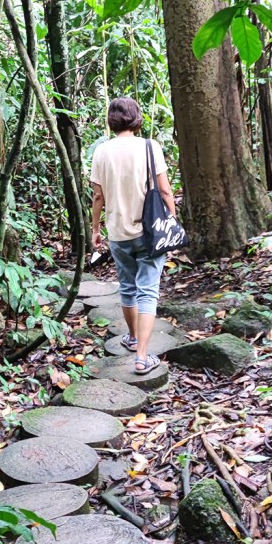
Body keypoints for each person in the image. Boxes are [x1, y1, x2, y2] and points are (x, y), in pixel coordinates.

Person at [90, 97, 176, 374]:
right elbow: (165, 190)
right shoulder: (150, 146)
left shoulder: (102, 151)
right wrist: (172, 221)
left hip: (118, 231)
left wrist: (95, 229)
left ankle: (133, 338)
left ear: (111, 120)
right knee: (148, 291)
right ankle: (142, 357)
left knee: (128, 287)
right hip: (150, 231)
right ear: (136, 118)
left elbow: (98, 196)